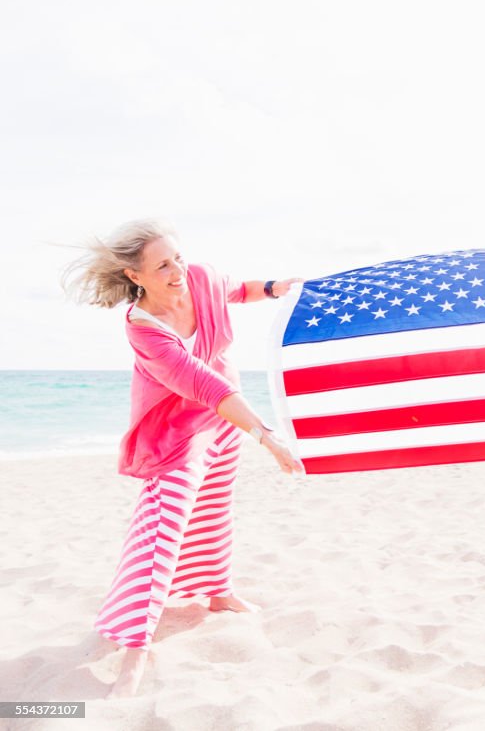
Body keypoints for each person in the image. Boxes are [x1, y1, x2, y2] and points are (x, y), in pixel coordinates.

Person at [62, 219, 306, 698]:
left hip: (225, 420)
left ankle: (218, 592)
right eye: (163, 265)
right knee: (162, 529)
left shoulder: (199, 276)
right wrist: (268, 437)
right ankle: (135, 645)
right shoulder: (143, 328)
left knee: (214, 507)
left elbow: (238, 290)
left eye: (177, 257)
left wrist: (279, 287)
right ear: (136, 277)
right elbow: (203, 384)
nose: (178, 270)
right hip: (178, 431)